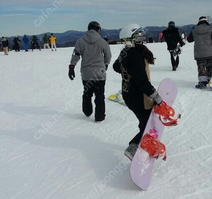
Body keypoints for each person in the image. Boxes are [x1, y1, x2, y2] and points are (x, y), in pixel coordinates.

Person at [113, 28, 163, 160]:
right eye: (137, 38)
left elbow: (116, 67)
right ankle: (134, 147)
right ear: (129, 40)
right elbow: (142, 82)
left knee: (144, 121)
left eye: (142, 37)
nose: (141, 41)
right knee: (150, 124)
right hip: (139, 97)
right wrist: (156, 97)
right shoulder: (135, 55)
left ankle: (143, 144)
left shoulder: (127, 52)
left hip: (128, 94)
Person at [68, 21, 112, 122]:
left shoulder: (80, 41)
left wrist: (71, 67)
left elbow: (76, 54)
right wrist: (105, 64)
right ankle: (100, 116)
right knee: (100, 96)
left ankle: (87, 111)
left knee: (87, 93)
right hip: (99, 74)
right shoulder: (102, 42)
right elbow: (108, 55)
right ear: (98, 30)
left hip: (86, 74)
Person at [187, 16, 212, 89]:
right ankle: (210, 79)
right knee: (209, 66)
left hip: (199, 54)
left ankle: (202, 82)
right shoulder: (211, 29)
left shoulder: (194, 29)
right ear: (206, 21)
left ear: (199, 21)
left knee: (201, 67)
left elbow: (189, 39)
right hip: (209, 53)